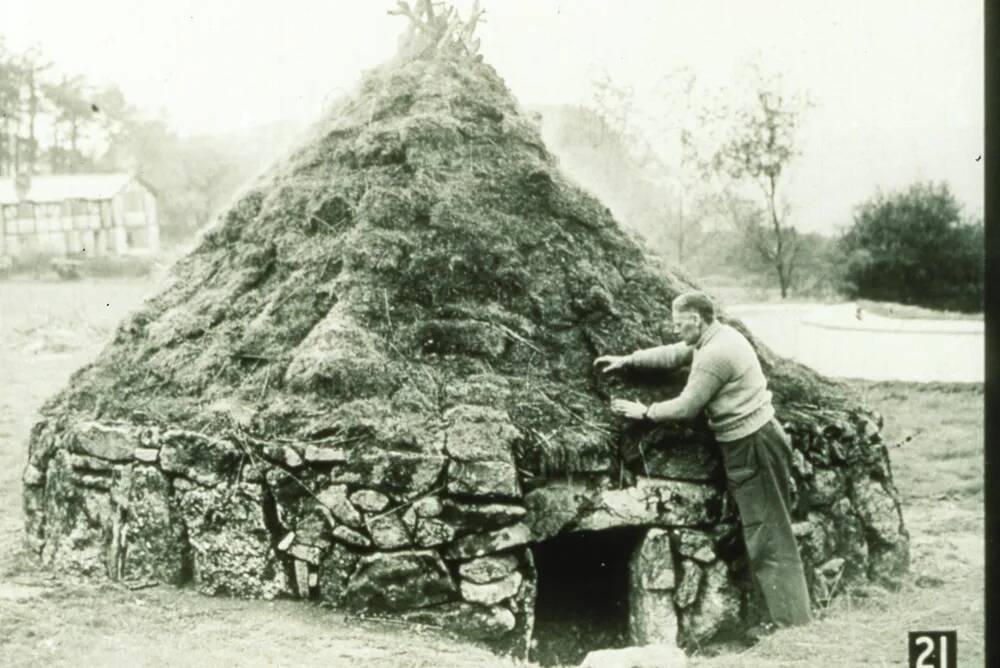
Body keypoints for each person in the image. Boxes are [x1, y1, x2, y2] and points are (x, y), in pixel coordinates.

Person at [593, 290, 812, 637]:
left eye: (680, 324)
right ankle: (785, 619)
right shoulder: (717, 336)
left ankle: (792, 627)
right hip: (753, 439)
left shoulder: (716, 354)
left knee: (769, 534)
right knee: (763, 530)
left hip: (753, 445)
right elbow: (675, 353)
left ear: (697, 319)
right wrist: (629, 360)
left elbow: (686, 406)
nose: (676, 330)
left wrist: (645, 412)